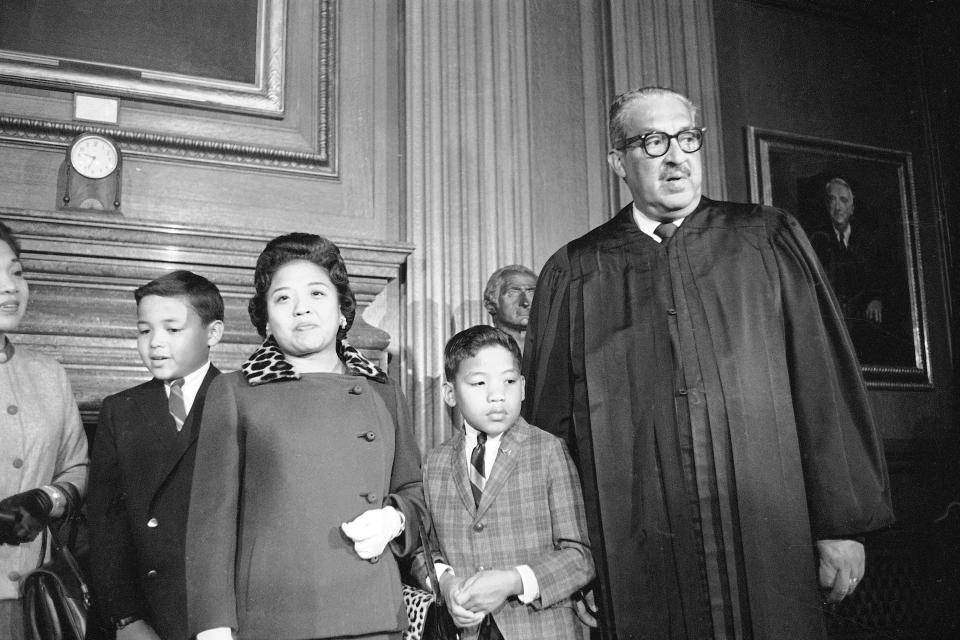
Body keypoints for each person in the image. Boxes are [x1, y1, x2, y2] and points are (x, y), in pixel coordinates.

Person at [522, 87, 894, 640]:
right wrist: (566, 563)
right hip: (635, 552)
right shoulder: (577, 271)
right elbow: (549, 435)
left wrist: (841, 525)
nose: (676, 156)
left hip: (769, 537)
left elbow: (821, 384)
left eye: (687, 138)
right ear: (616, 162)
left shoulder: (767, 239)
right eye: (653, 141)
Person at [185, 233, 426, 640]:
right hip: (274, 619)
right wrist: (213, 627)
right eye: (282, 298)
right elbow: (211, 525)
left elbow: (415, 489)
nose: (302, 308)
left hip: (372, 617)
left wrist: (395, 518)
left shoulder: (383, 392)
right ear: (265, 317)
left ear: (341, 309)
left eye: (317, 292)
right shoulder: (235, 391)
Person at [424, 325, 594, 640]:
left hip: (542, 630)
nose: (497, 395)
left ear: (524, 387)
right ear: (450, 393)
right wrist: (446, 584)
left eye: (509, 381)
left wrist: (513, 581)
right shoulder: (434, 463)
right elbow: (426, 550)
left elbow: (580, 556)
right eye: (478, 382)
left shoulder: (548, 451)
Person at [87, 270, 225, 640]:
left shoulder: (240, 403)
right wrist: (125, 618)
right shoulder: (121, 409)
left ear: (213, 334)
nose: (155, 343)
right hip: (140, 611)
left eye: (172, 329)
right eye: (144, 330)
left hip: (214, 613)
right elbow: (104, 523)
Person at [0, 220, 88, 640]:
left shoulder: (49, 373)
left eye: (15, 272)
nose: (10, 287)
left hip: (40, 604)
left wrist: (43, 499)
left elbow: (76, 467)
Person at [808, 177, 895, 364]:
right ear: (826, 204)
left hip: (861, 320)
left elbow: (879, 277)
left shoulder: (867, 241)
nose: (837, 207)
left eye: (843, 200)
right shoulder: (817, 240)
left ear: (852, 208)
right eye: (832, 200)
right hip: (831, 320)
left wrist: (876, 299)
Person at [483, 265, 537, 354]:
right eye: (513, 292)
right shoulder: (482, 351)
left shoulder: (553, 350)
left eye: (531, 292)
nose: (525, 303)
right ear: (491, 303)